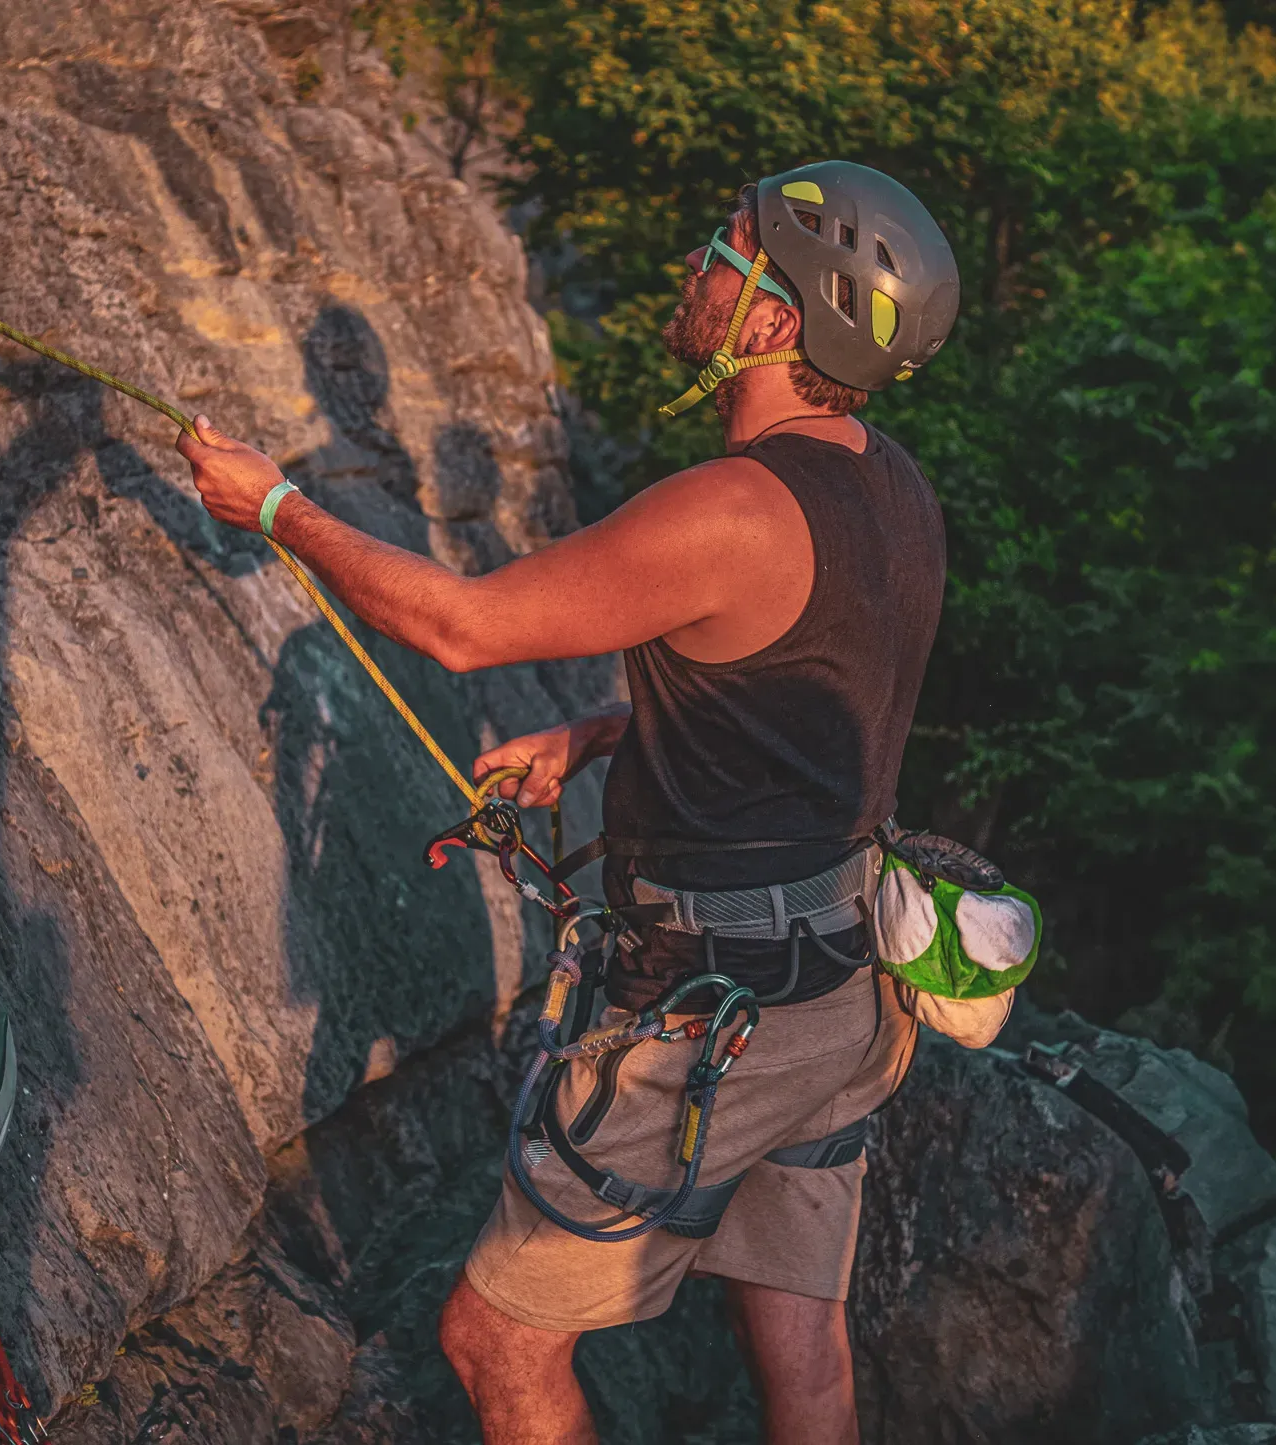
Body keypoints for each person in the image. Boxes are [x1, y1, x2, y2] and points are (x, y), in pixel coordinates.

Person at [179, 162, 961, 1445]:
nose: (695, 264)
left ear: (774, 319)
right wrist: (605, 733)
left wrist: (276, 507)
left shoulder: (731, 506)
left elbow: (464, 627)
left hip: (724, 1012)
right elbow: (806, 701)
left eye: (724, 248)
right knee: (802, 1346)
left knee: (492, 1337)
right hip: (837, 991)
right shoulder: (892, 487)